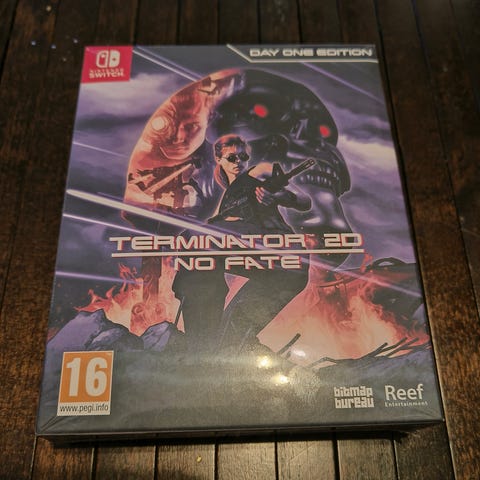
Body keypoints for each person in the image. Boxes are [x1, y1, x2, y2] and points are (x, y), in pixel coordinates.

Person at [172, 134, 311, 356]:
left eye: (243, 157)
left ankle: (199, 346)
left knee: (195, 240)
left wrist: (280, 196)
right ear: (219, 159)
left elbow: (304, 201)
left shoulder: (259, 171)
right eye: (231, 158)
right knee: (227, 338)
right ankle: (205, 354)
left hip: (285, 254)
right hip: (282, 276)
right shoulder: (226, 201)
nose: (238, 162)